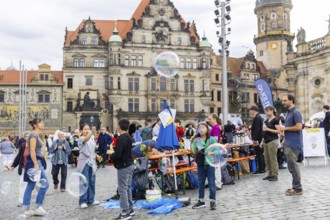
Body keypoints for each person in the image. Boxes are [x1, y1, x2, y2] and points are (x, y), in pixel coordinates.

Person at [22, 118, 49, 217]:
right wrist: (36, 165)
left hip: (37, 161)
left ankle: (29, 208)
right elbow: (32, 151)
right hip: (35, 162)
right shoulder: (33, 134)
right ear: (35, 125)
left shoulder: (36, 134)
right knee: (43, 184)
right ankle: (36, 207)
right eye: (40, 122)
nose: (43, 123)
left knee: (31, 185)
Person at [110, 119, 135, 220]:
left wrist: (112, 156)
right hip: (129, 164)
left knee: (122, 189)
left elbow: (118, 154)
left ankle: (125, 212)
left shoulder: (121, 139)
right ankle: (130, 209)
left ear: (119, 127)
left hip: (124, 166)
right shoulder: (128, 137)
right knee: (127, 187)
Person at [191, 122, 219, 211]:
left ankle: (213, 201)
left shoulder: (212, 140)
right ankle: (201, 201)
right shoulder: (196, 140)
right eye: (199, 128)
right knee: (200, 183)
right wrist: (193, 147)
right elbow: (193, 152)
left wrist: (212, 152)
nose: (201, 129)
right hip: (201, 164)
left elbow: (218, 151)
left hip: (210, 164)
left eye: (203, 127)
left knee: (211, 183)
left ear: (207, 129)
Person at [280, 94, 303, 196]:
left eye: (285, 100)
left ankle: (298, 188)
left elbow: (299, 127)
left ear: (291, 101)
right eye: (283, 101)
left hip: (294, 143)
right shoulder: (289, 112)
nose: (283, 102)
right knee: (291, 166)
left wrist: (285, 129)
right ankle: (295, 186)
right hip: (289, 142)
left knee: (293, 166)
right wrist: (285, 139)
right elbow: (290, 127)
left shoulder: (296, 112)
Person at [77, 123, 100, 208]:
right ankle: (83, 201)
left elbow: (91, 150)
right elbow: (86, 139)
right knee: (84, 181)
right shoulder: (81, 138)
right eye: (85, 129)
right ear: (81, 131)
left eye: (88, 129)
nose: (87, 131)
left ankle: (91, 199)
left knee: (92, 181)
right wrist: (92, 132)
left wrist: (96, 155)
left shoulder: (92, 139)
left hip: (91, 162)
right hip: (84, 163)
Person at [11, 131, 31, 206]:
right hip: (23, 168)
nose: (27, 137)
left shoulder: (34, 145)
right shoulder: (22, 145)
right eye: (26, 136)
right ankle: (21, 201)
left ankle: (40, 197)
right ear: (24, 137)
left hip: (32, 169)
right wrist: (13, 165)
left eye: (29, 136)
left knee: (36, 184)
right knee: (22, 184)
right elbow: (19, 156)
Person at [261, 106, 280, 181]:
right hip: (266, 141)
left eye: (268, 111)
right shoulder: (266, 120)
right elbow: (264, 132)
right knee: (267, 159)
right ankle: (270, 173)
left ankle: (275, 174)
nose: (267, 112)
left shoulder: (275, 120)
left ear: (272, 111)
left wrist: (268, 129)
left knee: (273, 158)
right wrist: (262, 141)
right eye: (266, 111)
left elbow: (278, 131)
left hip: (272, 140)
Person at [208, 113, 223, 190]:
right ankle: (217, 183)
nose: (209, 120)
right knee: (216, 167)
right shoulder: (215, 127)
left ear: (214, 119)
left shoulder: (215, 128)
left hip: (215, 149)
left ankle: (218, 184)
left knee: (217, 168)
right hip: (215, 149)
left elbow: (216, 139)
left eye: (210, 119)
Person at [249, 105, 266, 174]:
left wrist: (254, 139)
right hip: (257, 139)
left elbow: (256, 129)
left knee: (258, 153)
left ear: (254, 110)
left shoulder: (257, 117)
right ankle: (261, 168)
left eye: (251, 110)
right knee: (259, 153)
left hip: (257, 139)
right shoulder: (257, 117)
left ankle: (261, 169)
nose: (250, 112)